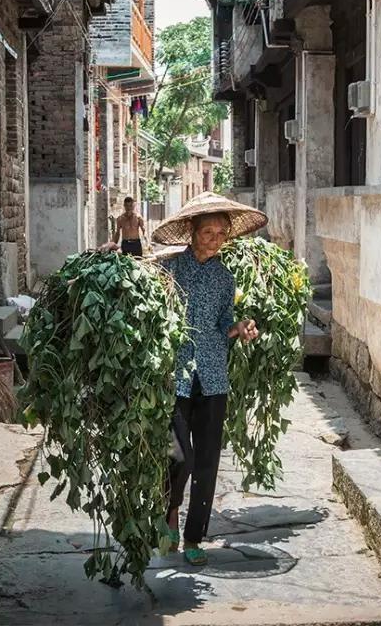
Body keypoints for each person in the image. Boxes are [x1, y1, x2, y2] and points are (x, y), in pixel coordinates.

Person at [153, 191, 267, 568]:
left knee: (207, 462)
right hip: (178, 374)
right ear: (192, 231)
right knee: (179, 455)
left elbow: (224, 321)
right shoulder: (171, 270)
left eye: (221, 233)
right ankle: (170, 508)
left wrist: (238, 327)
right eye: (208, 231)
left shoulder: (224, 277)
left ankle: (193, 537)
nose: (215, 238)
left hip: (214, 376)